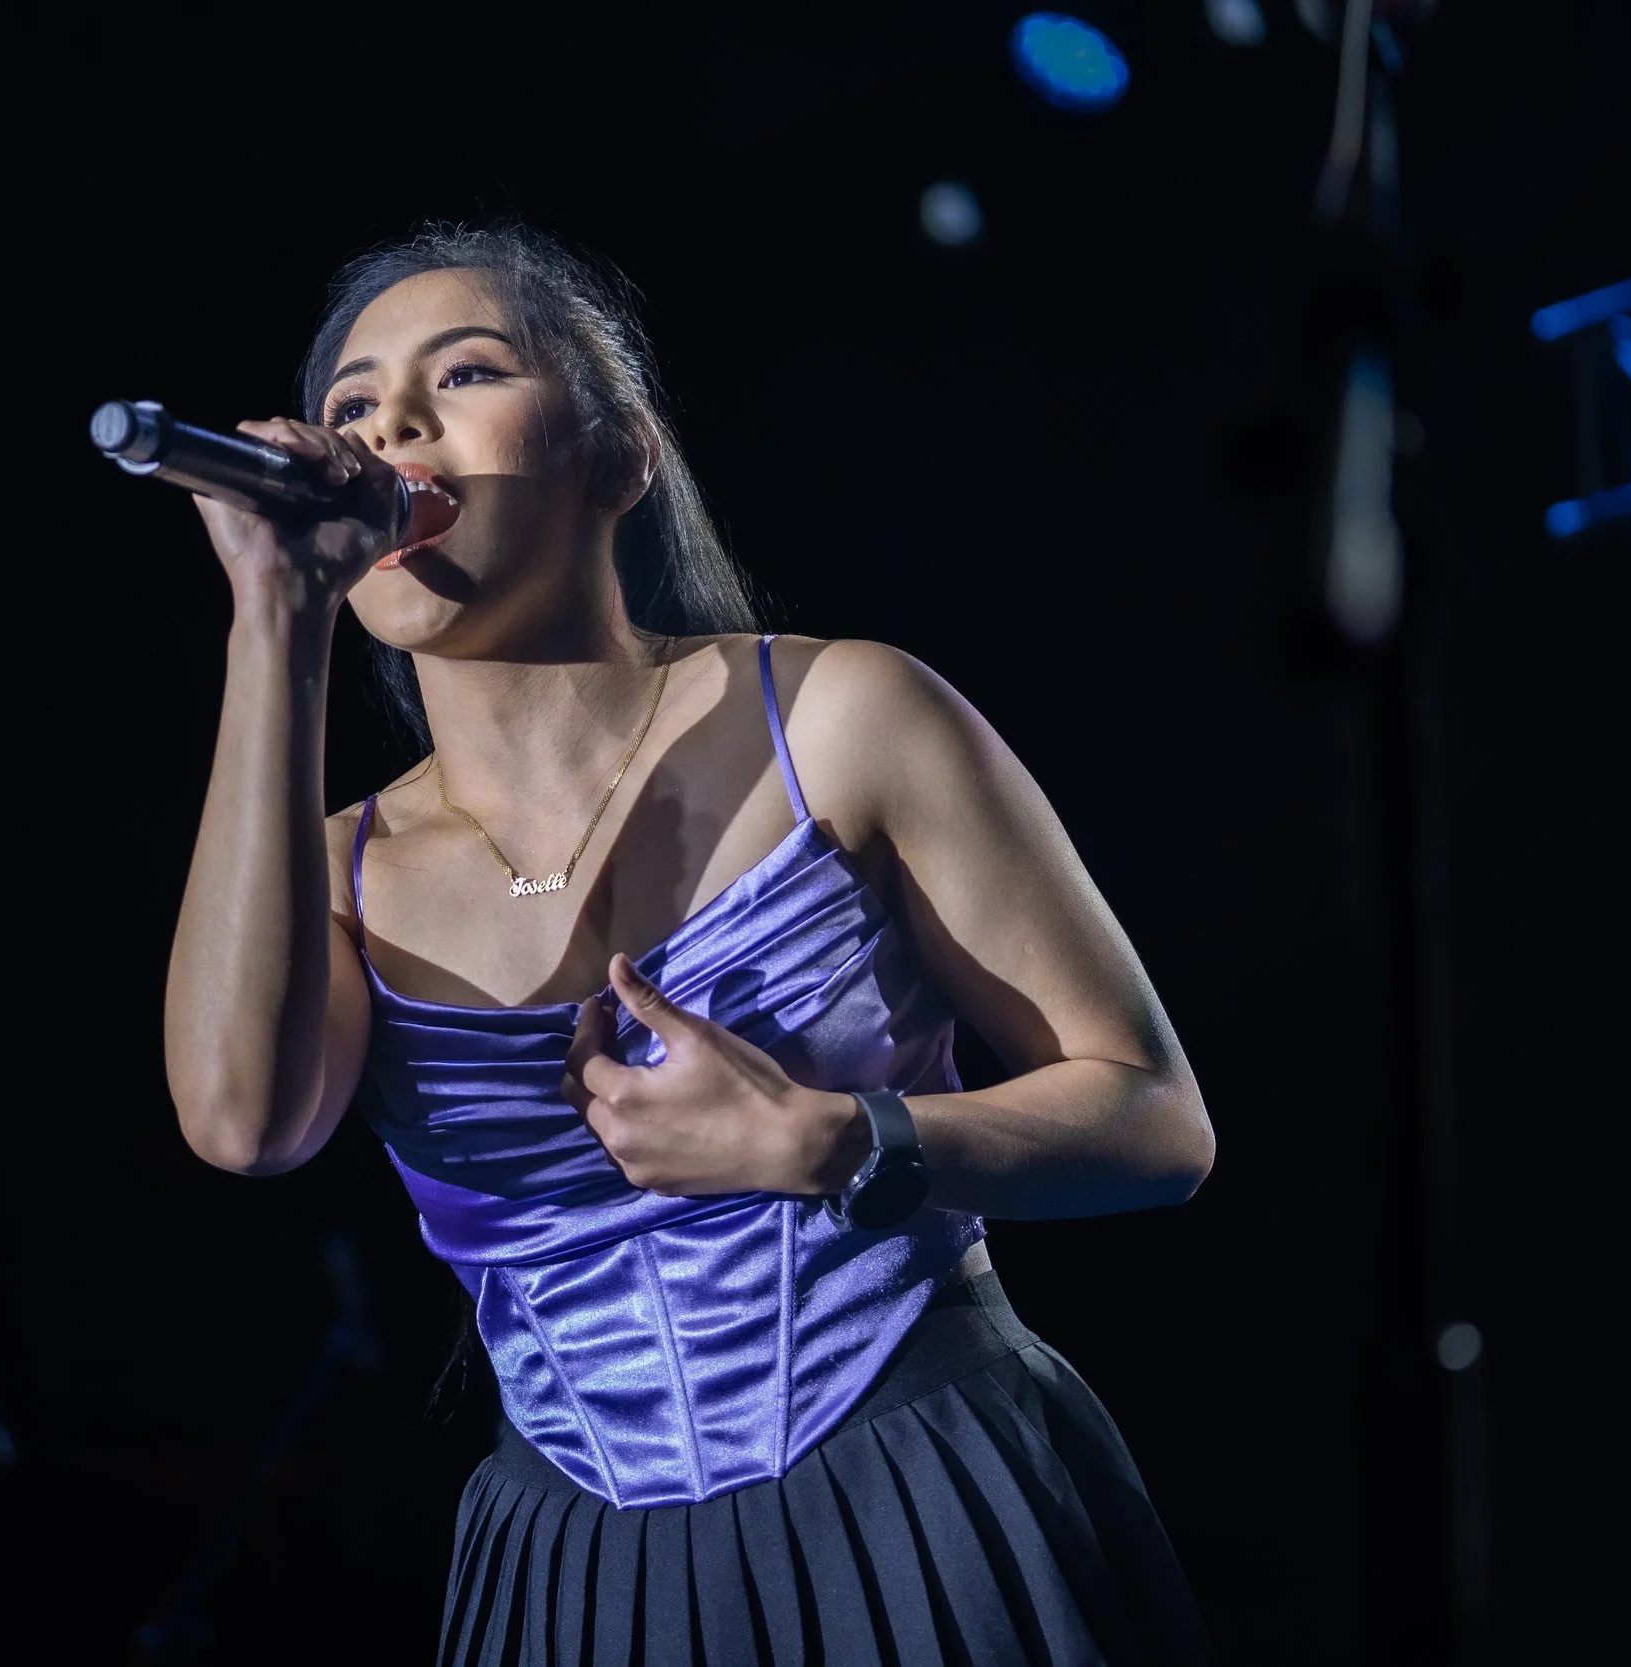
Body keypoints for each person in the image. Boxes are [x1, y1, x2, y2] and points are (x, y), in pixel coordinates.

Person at [162, 222, 1216, 1665]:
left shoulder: (846, 717)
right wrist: (273, 621)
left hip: (925, 1484)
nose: (390, 422)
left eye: (462, 371)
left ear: (619, 459)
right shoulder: (340, 870)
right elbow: (243, 1120)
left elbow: (1157, 1118)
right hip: (585, 1570)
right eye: (351, 404)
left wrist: (840, 1144)